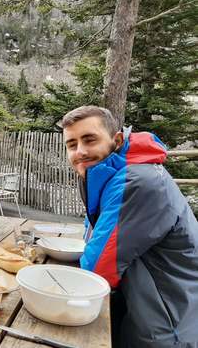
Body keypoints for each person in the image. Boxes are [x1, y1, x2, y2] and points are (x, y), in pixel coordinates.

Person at [62, 105, 198, 348]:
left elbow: (97, 269)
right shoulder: (114, 174)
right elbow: (94, 231)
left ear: (117, 140)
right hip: (153, 309)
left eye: (89, 139)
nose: (80, 151)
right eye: (72, 144)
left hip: (169, 325)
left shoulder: (137, 182)